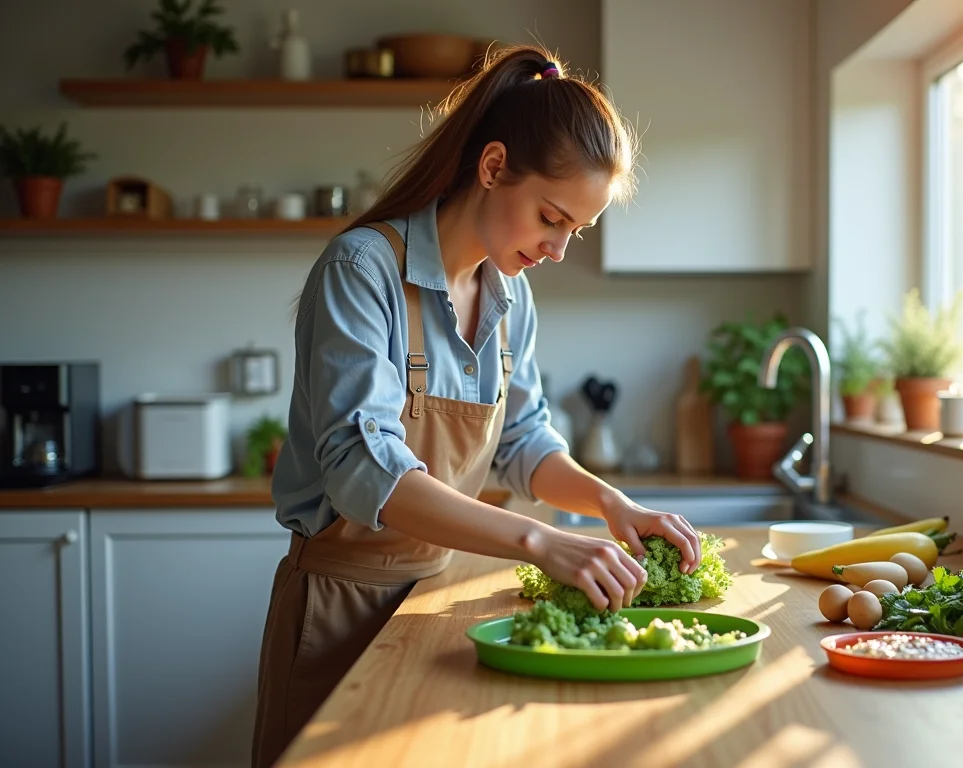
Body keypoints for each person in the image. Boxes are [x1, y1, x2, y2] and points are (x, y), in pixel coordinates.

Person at [250, 45, 703, 767]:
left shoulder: (510, 295)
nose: (557, 249)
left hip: (436, 599)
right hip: (340, 606)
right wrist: (538, 540)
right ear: (493, 168)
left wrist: (611, 504)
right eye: (551, 218)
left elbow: (522, 440)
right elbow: (363, 467)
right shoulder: (362, 268)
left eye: (574, 232)